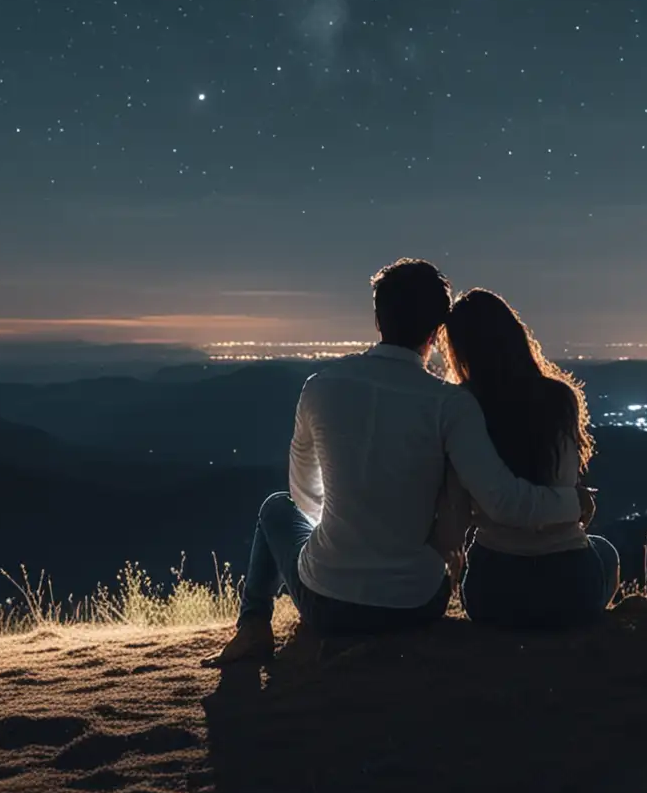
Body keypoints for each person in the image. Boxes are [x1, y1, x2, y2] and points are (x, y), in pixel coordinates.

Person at [208, 258, 592, 665]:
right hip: (416, 602)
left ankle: (253, 626)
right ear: (436, 331)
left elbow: (304, 497)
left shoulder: (320, 388)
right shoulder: (451, 404)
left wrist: (354, 533)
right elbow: (481, 500)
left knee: (275, 508)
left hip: (328, 602)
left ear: (378, 319)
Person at [431, 288, 619, 628]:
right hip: (571, 585)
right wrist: (573, 505)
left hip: (495, 591)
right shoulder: (560, 399)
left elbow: (455, 514)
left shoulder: (461, 407)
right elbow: (563, 486)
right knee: (604, 551)